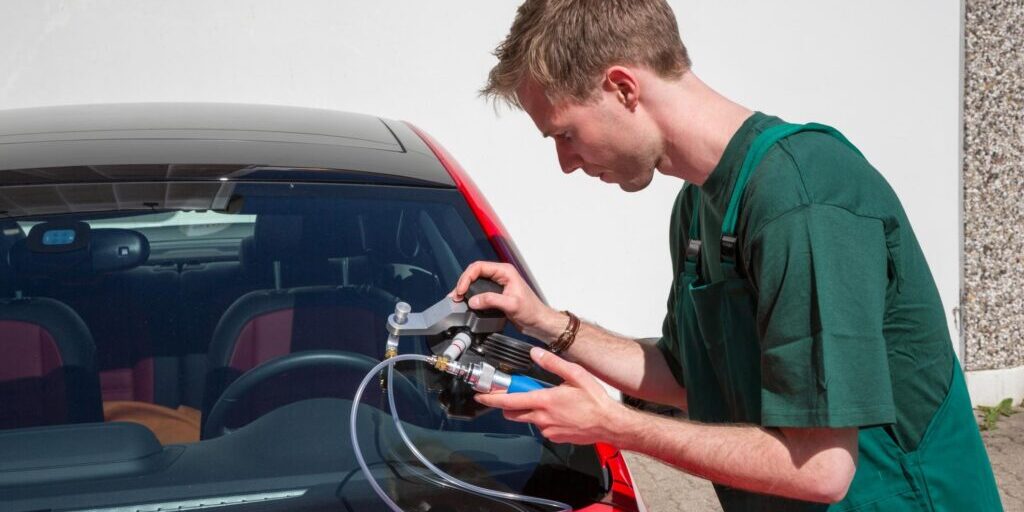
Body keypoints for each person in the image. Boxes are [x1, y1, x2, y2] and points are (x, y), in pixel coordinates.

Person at [449, 1, 1002, 510]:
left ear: (622, 87)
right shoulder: (696, 207)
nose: (566, 163)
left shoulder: (803, 199)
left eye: (565, 134)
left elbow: (821, 468)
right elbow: (687, 376)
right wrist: (546, 323)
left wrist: (614, 425)